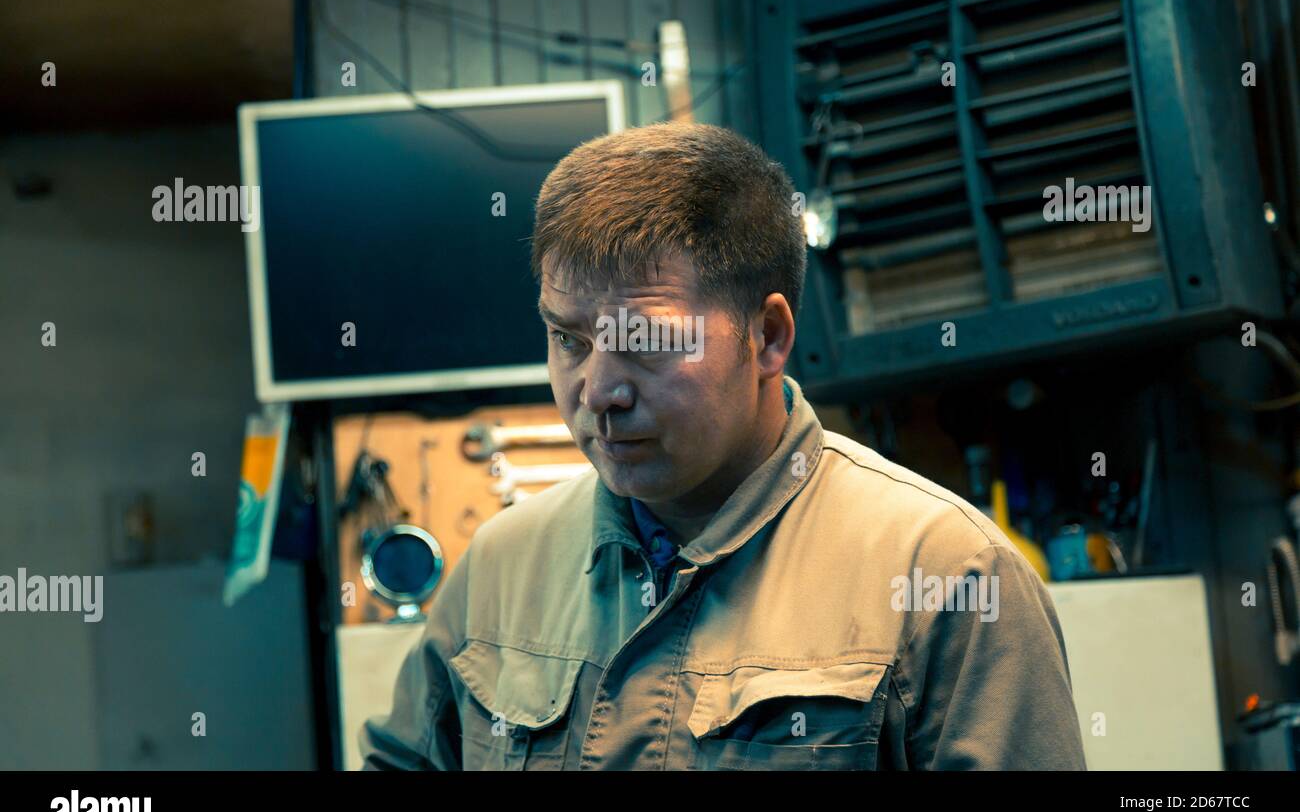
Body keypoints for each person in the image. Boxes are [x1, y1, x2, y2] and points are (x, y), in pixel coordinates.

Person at [359, 121, 1087, 770]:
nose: (598, 391)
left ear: (767, 336)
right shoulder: (499, 566)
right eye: (567, 339)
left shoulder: (948, 576)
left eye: (647, 343)